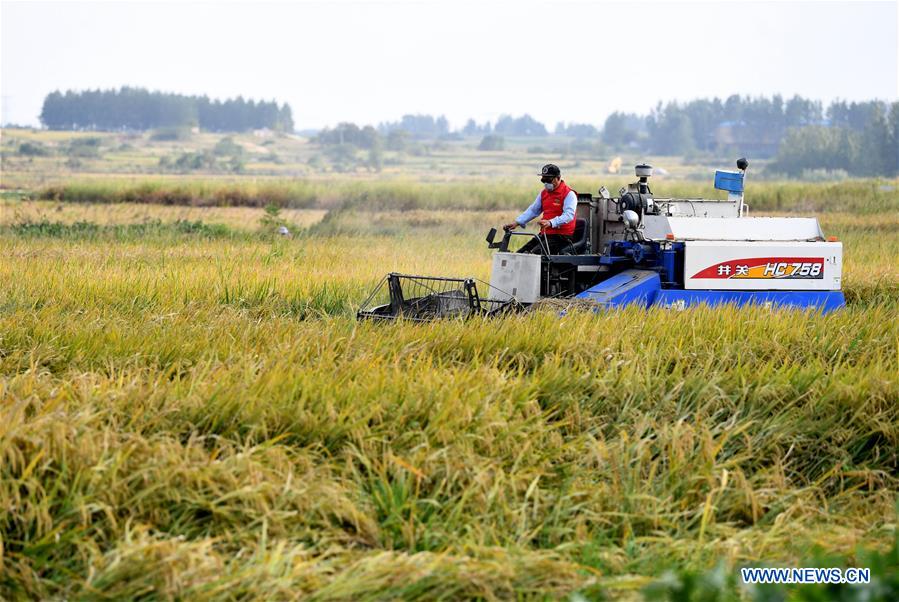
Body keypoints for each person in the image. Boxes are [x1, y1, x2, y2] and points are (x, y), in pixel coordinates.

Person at [503, 164, 577, 254]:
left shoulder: (569, 194)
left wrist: (551, 223)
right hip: (545, 235)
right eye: (543, 180)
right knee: (520, 254)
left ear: (558, 178)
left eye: (548, 180)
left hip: (562, 237)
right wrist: (517, 222)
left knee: (533, 256)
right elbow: (533, 210)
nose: (546, 183)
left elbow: (569, 215)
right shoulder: (544, 193)